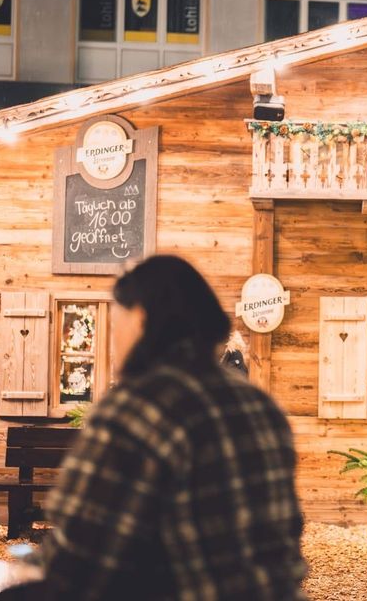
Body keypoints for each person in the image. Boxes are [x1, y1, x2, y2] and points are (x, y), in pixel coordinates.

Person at [39, 255, 307, 600]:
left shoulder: (137, 409)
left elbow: (79, 558)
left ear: (139, 318)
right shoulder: (261, 406)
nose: (113, 335)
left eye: (115, 319)